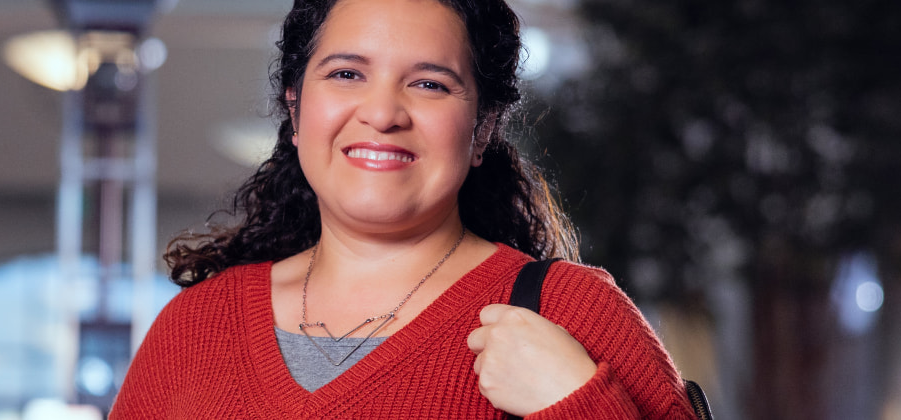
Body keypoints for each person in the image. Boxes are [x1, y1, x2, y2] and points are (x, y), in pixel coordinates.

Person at [109, 0, 696, 418]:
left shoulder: (574, 315)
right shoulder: (193, 332)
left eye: (430, 84)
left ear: (484, 127)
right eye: (346, 74)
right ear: (295, 109)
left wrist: (580, 405)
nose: (383, 112)